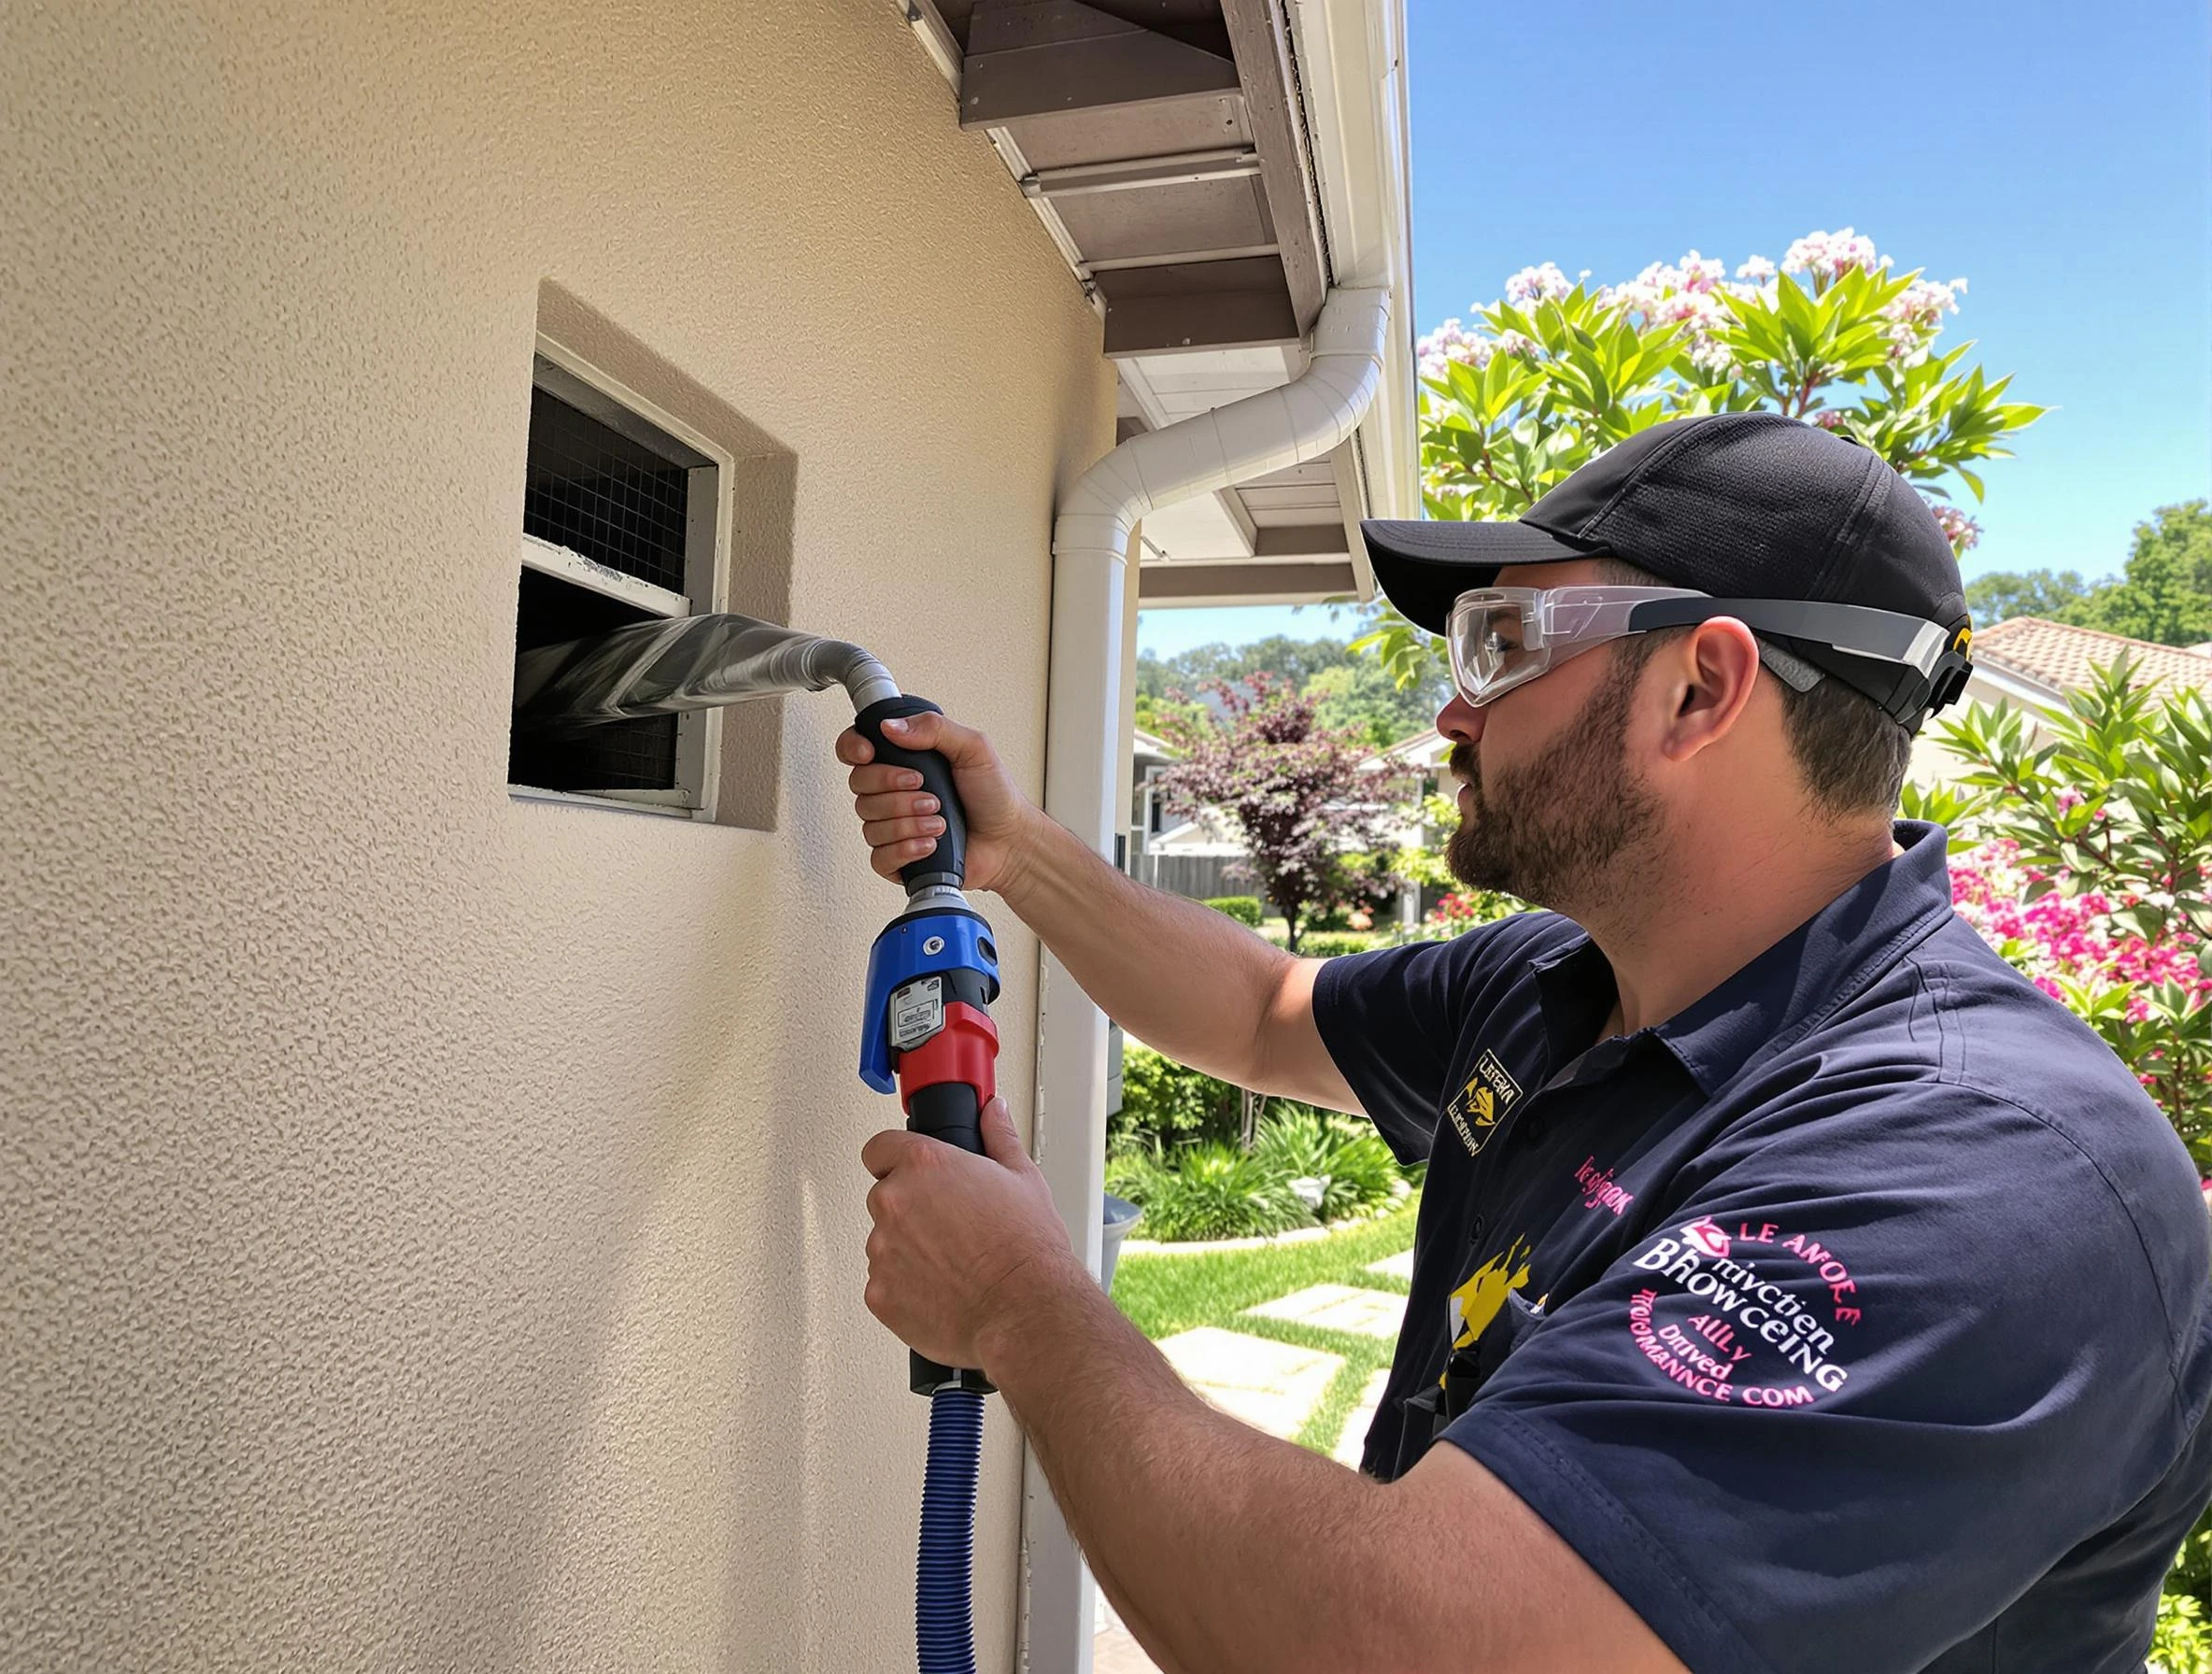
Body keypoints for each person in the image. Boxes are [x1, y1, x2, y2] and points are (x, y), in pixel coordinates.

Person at [843, 413, 2212, 1673]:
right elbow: (1266, 1011)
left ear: (1700, 690)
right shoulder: (1563, 981)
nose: (1453, 712)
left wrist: (1019, 1303)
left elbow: (1418, 1646)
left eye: (1502, 644)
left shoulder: (1983, 1171)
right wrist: (1020, 853)